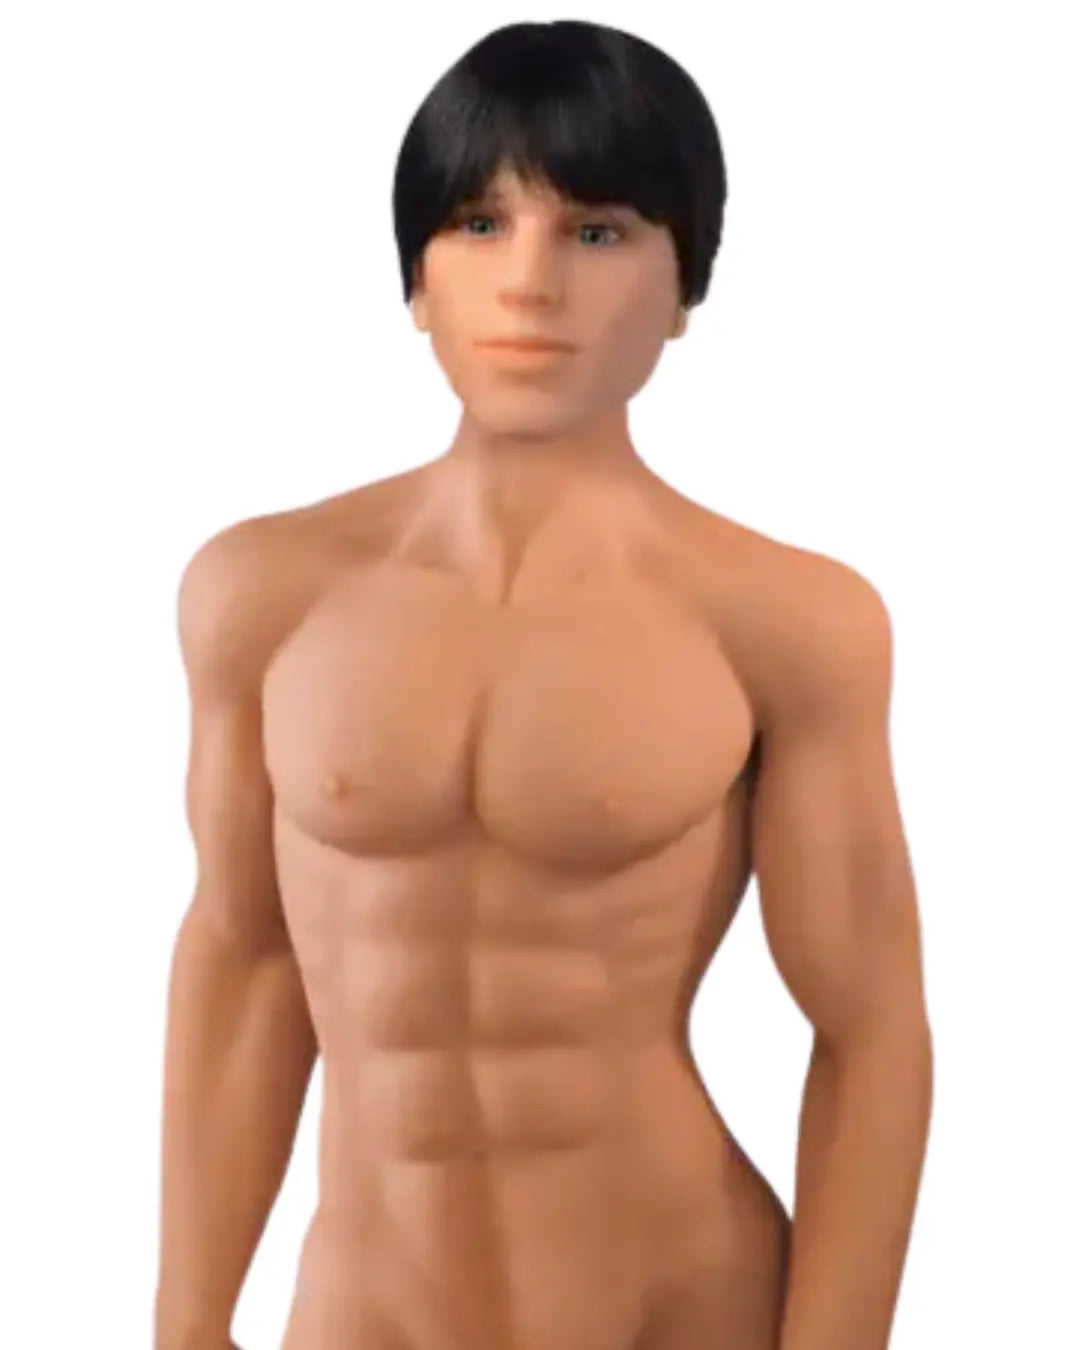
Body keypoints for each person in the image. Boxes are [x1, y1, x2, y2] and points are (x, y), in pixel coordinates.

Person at [154, 19, 933, 1350]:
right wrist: (184, 1319)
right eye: (479, 223)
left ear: (685, 286)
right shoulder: (261, 595)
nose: (531, 282)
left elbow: (870, 1031)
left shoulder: (790, 621)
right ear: (415, 281)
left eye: (597, 231)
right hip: (368, 1310)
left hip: (676, 1303)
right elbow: (244, 958)